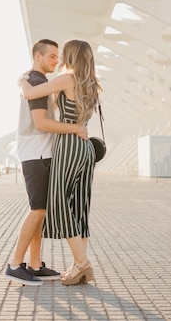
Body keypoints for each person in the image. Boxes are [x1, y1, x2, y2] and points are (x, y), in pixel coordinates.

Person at [4, 39, 89, 287]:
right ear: (38, 56)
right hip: (36, 153)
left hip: (40, 152)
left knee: (40, 211)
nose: (56, 60)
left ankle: (35, 265)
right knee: (38, 210)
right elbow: (41, 123)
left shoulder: (37, 82)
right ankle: (14, 265)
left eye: (57, 56)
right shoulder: (37, 82)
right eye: (51, 56)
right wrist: (75, 129)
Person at [21, 39, 102, 286]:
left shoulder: (68, 79)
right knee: (78, 205)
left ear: (71, 55)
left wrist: (23, 79)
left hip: (68, 145)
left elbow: (31, 93)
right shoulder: (93, 84)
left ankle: (83, 264)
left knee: (60, 203)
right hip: (86, 148)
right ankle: (77, 266)